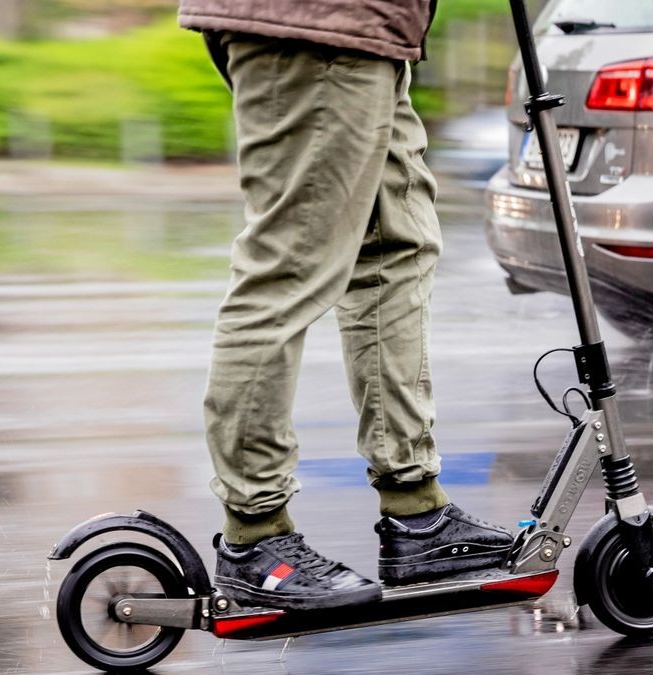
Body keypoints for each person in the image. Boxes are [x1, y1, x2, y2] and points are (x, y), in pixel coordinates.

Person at [178, 0, 513, 611]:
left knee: (396, 249)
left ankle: (417, 514)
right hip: (316, 22)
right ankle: (255, 538)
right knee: (289, 267)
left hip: (374, 29)